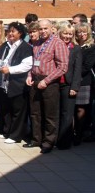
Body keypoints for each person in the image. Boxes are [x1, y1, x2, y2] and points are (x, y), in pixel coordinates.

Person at [24, 19, 69, 153]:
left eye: (45, 28)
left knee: (50, 114)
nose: (43, 31)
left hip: (49, 82)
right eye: (41, 29)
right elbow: (33, 62)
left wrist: (47, 80)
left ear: (51, 28)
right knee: (35, 112)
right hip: (35, 80)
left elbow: (63, 67)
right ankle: (36, 139)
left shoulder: (58, 43)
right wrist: (29, 75)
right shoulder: (36, 43)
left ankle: (48, 142)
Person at [0, 22, 33, 144]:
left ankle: (16, 135)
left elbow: (26, 65)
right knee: (7, 109)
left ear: (20, 33)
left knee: (18, 111)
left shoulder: (26, 47)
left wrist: (10, 70)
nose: (10, 34)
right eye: (9, 31)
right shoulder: (6, 45)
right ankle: (7, 132)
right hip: (5, 83)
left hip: (18, 84)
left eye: (13, 31)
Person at [56, 22, 82, 150]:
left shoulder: (75, 48)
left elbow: (77, 69)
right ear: (60, 33)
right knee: (57, 112)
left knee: (67, 114)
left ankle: (64, 142)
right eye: (65, 33)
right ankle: (55, 139)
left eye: (70, 34)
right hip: (55, 84)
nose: (67, 36)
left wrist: (74, 87)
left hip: (68, 84)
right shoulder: (55, 45)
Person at [74, 22, 95, 144]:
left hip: (84, 81)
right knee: (72, 108)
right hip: (72, 80)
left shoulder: (91, 47)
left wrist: (73, 74)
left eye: (84, 32)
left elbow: (87, 66)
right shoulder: (74, 46)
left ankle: (80, 134)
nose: (82, 34)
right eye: (79, 32)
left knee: (81, 109)